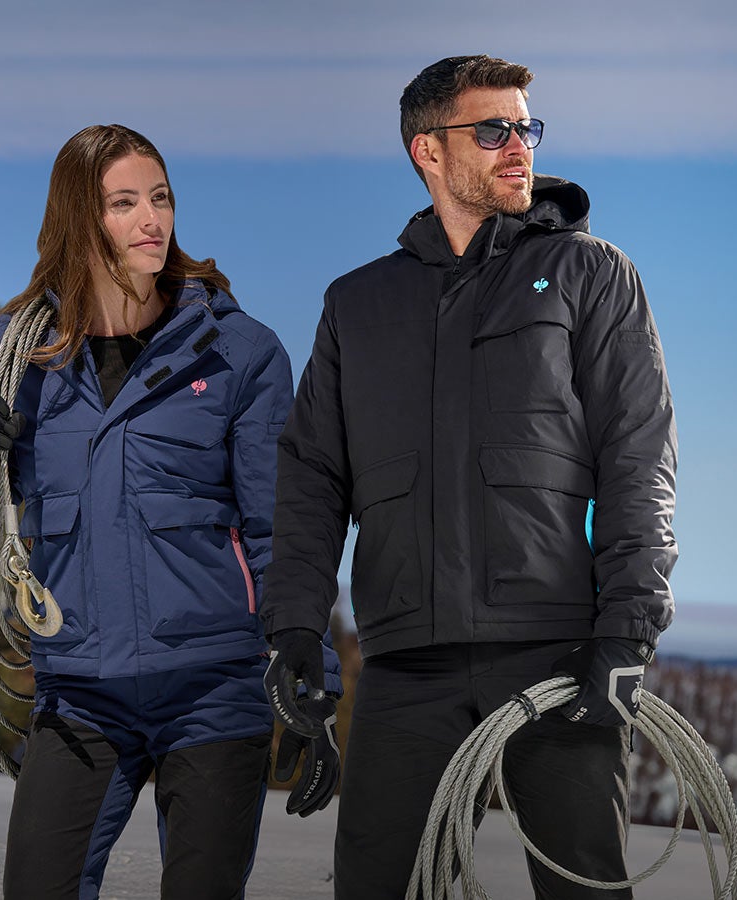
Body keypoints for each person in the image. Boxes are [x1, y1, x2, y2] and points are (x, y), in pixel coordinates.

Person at [261, 55, 678, 900]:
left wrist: (629, 632)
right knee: (374, 885)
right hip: (406, 665)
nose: (518, 145)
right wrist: (297, 629)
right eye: (493, 130)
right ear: (428, 150)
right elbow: (310, 480)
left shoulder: (589, 276)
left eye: (527, 127)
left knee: (582, 889)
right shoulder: (359, 304)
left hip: (557, 657)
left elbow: (640, 458)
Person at [0, 124, 335, 900]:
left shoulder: (237, 353)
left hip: (212, 692)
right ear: (78, 221)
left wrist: (311, 679)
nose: (151, 219)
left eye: (159, 198)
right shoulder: (21, 351)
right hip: (77, 685)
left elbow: (276, 530)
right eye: (124, 203)